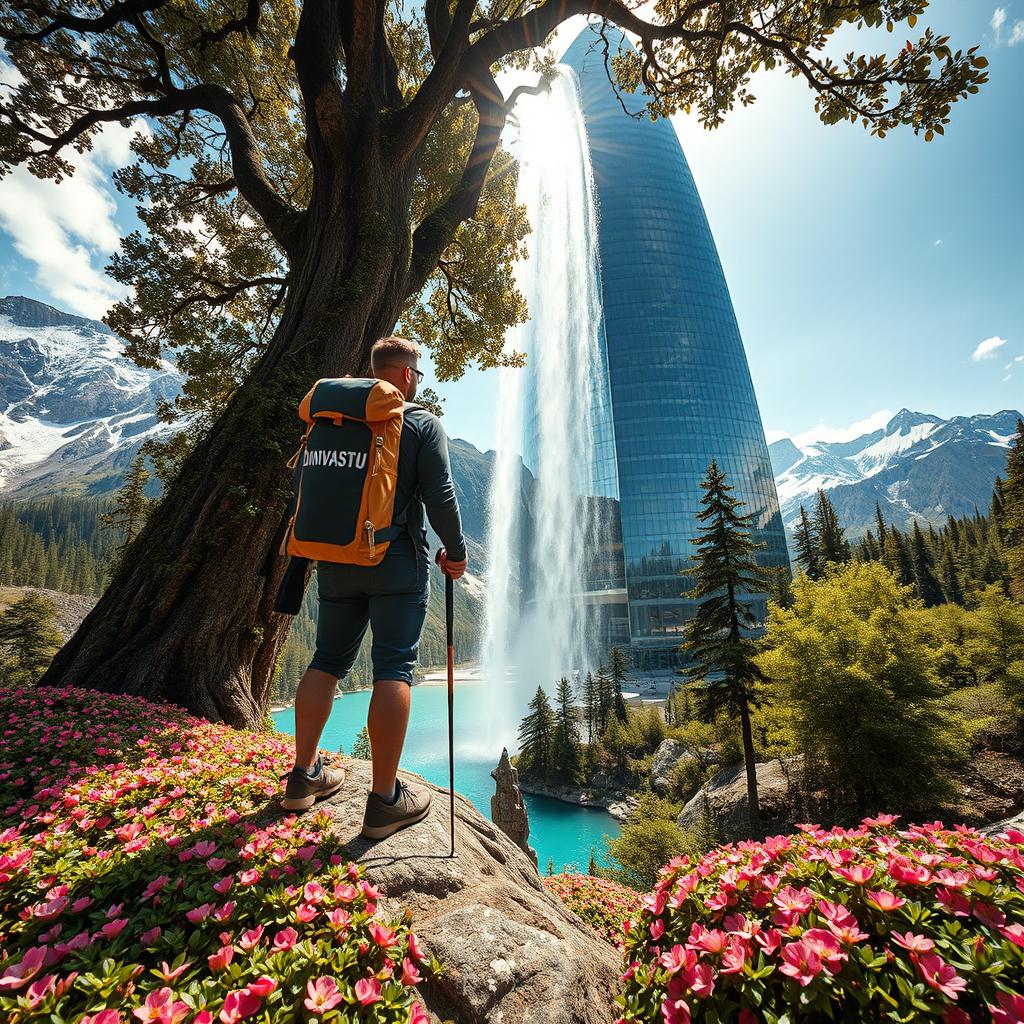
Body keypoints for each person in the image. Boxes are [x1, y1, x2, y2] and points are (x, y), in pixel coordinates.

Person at [280, 336, 467, 839]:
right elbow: (440, 495)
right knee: (394, 667)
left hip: (336, 560)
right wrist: (456, 551)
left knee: (326, 661)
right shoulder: (420, 422)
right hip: (396, 564)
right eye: (418, 375)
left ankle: (304, 777)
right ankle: (384, 801)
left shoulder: (330, 423)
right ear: (406, 375)